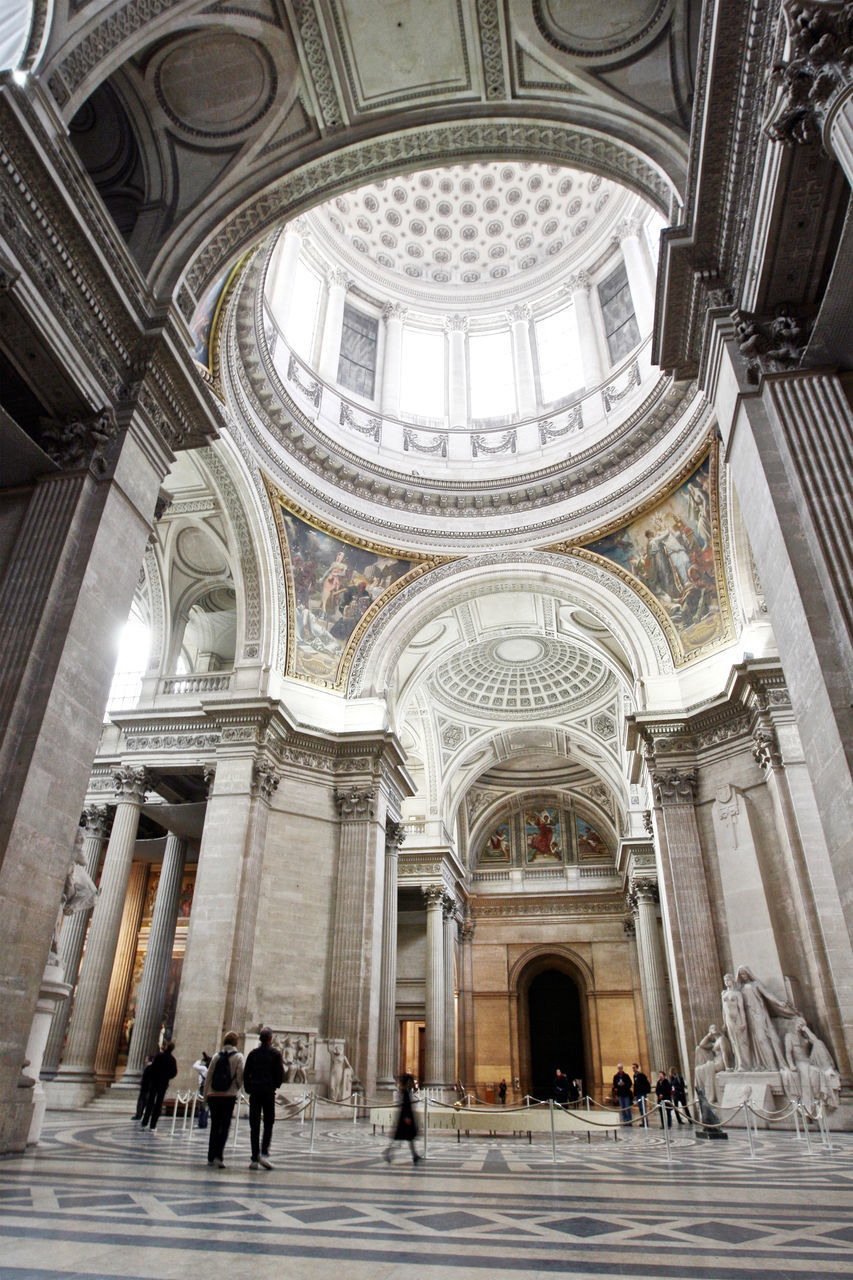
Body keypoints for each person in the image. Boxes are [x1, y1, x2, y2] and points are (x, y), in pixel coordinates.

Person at [243, 1027, 285, 1170]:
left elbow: (246, 1073)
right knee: (268, 1122)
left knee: (254, 1125)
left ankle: (255, 1157)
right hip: (268, 1092)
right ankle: (264, 1152)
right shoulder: (275, 1054)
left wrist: (249, 1088)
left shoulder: (253, 1054)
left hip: (255, 1092)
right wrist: (275, 1085)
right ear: (270, 1039)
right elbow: (280, 1074)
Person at [204, 1031, 244, 1168]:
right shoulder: (239, 1057)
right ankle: (218, 1156)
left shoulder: (216, 1056)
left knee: (215, 1125)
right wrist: (237, 1087)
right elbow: (240, 1078)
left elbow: (208, 1078)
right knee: (225, 1126)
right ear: (235, 1043)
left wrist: (205, 1098)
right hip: (228, 1096)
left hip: (213, 1095)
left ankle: (210, 1155)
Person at [383, 1074, 421, 1165]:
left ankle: (414, 1155)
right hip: (405, 1118)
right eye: (411, 1082)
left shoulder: (405, 1092)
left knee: (409, 1138)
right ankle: (388, 1152)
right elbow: (405, 1106)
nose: (412, 1083)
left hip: (406, 1118)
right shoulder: (405, 1093)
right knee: (403, 1138)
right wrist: (407, 1118)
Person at [140, 1041, 177, 1131]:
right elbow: (174, 1072)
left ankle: (145, 1123)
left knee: (150, 1103)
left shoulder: (159, 1056)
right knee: (158, 1104)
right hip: (163, 1084)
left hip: (155, 1082)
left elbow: (152, 1069)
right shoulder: (172, 1059)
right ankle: (153, 1125)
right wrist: (167, 1077)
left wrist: (154, 1077)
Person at [721, 972, 751, 1070]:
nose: (726, 982)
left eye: (728, 980)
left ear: (732, 980)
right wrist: (724, 1022)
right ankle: (738, 1063)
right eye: (725, 980)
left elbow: (741, 1009)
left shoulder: (737, 993)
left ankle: (745, 1064)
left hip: (737, 1018)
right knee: (734, 1042)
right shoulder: (724, 994)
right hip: (729, 1020)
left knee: (742, 1042)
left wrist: (743, 1021)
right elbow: (723, 1010)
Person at [192, 1051, 211, 1129]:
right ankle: (204, 1123)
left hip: (203, 1088)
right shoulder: (210, 1070)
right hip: (209, 1088)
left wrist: (200, 1060)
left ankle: (201, 1123)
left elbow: (195, 1066)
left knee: (202, 1106)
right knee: (206, 1106)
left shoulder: (204, 1069)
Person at [134, 1054, 154, 1121]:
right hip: (148, 1087)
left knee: (142, 1102)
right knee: (145, 1102)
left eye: (146, 1058)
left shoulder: (149, 1067)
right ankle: (141, 1114)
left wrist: (143, 1084)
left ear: (148, 1059)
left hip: (145, 1088)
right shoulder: (151, 1067)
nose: (145, 1059)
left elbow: (146, 1078)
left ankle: (138, 1115)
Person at [632, 1063, 651, 1128]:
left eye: (634, 1067)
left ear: (637, 1068)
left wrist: (645, 1091)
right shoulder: (634, 1076)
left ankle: (645, 1122)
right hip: (638, 1094)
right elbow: (635, 1085)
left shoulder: (642, 1075)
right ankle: (643, 1121)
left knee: (643, 1108)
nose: (633, 1069)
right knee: (640, 1108)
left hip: (642, 1094)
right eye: (632, 1068)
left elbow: (646, 1084)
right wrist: (635, 1095)